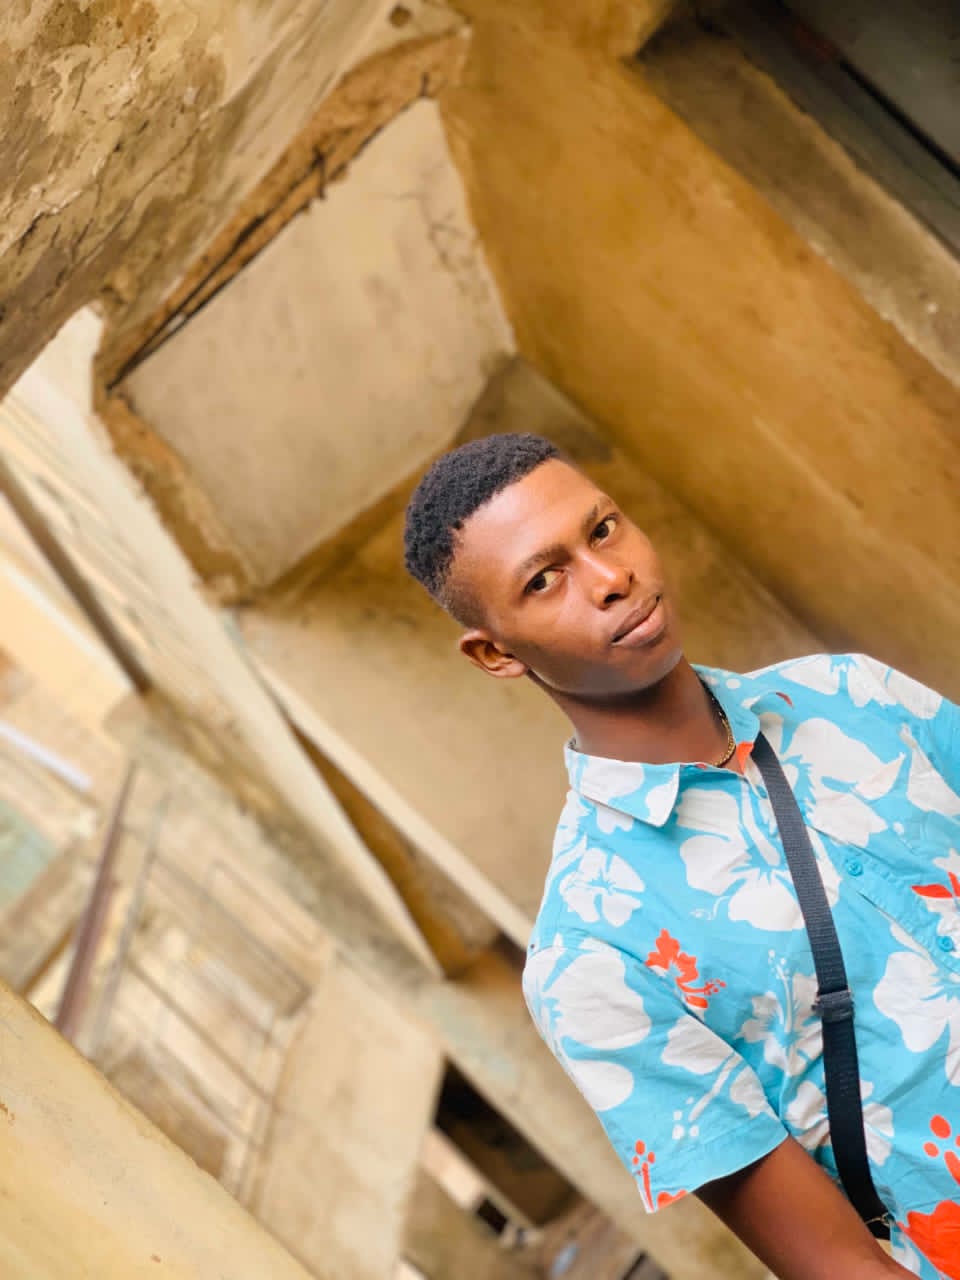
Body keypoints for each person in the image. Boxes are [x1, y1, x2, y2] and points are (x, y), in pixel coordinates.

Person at [403, 432, 960, 1280]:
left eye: (602, 530)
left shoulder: (849, 692)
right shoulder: (590, 958)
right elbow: (836, 1265)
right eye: (544, 579)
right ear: (497, 652)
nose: (610, 577)